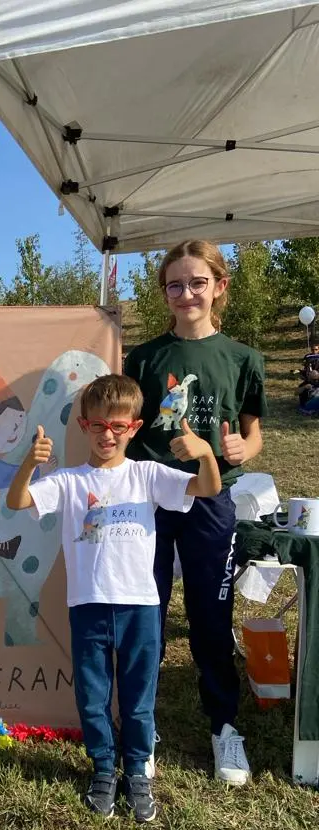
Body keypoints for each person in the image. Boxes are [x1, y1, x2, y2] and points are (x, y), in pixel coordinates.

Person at [7, 375, 221, 822]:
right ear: (84, 426)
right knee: (92, 696)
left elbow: (208, 489)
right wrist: (28, 463)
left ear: (135, 427)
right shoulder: (68, 481)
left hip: (140, 606)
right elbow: (18, 501)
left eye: (118, 427)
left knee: (139, 697)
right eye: (99, 426)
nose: (108, 435)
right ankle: (104, 768)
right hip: (87, 605)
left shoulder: (146, 475)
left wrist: (205, 455)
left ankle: (138, 770)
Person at [124, 239, 267, 786]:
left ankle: (224, 727)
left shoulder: (243, 359)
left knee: (211, 614)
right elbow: (126, 426)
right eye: (175, 284)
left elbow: (253, 433)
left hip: (211, 498)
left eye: (197, 282)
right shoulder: (143, 358)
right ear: (164, 293)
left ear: (219, 287)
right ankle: (143, 727)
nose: (187, 293)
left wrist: (242, 452)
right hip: (149, 500)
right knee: (146, 612)